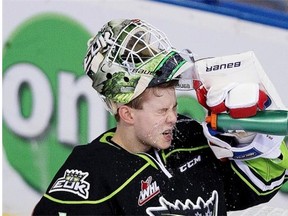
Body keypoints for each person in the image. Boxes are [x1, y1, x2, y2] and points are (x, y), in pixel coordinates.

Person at [33, 18, 288, 215]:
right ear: (127, 113)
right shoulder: (92, 171)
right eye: (161, 111)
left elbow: (258, 188)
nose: (174, 118)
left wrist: (250, 141)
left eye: (174, 107)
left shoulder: (190, 138)